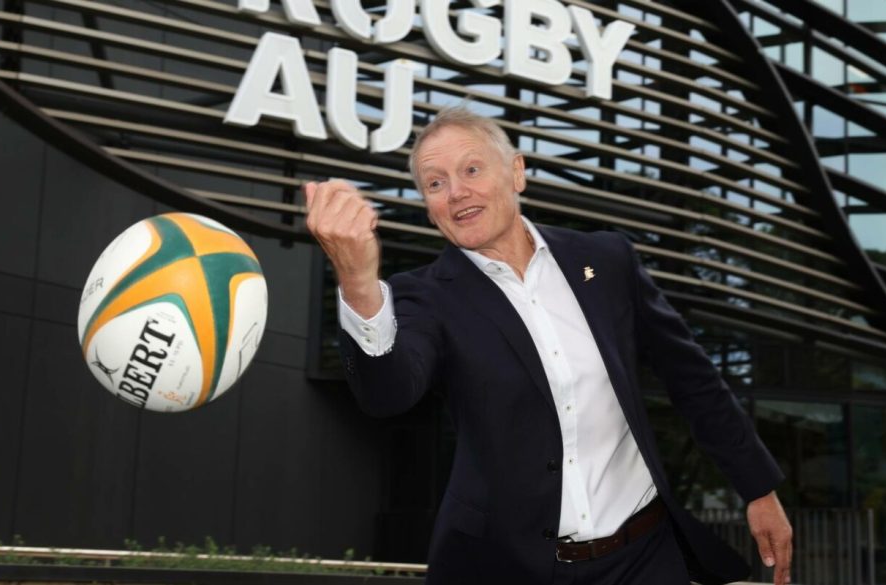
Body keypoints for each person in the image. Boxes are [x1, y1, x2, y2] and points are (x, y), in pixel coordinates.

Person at [304, 106, 792, 585]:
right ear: (429, 208)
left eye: (472, 169)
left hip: (645, 555)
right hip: (509, 565)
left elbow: (694, 381)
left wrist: (758, 488)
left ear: (516, 172)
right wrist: (358, 281)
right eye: (435, 183)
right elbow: (387, 395)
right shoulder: (424, 296)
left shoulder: (606, 260)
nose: (456, 193)